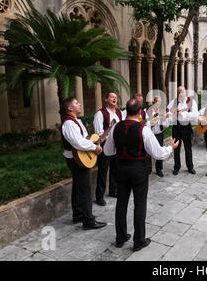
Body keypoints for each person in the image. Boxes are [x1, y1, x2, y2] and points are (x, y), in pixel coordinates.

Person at [103, 98, 180, 251]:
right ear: (140, 112)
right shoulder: (143, 129)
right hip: (138, 169)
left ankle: (121, 236)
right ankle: (138, 240)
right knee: (140, 204)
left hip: (121, 169)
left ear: (126, 110)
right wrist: (170, 148)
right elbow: (158, 153)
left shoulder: (116, 128)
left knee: (121, 203)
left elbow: (107, 151)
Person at [60, 97, 106, 230]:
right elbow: (78, 143)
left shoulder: (75, 121)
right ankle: (88, 220)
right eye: (76, 103)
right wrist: (94, 147)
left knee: (78, 187)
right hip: (76, 160)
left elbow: (82, 138)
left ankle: (78, 214)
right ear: (70, 108)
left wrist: (97, 140)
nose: (79, 104)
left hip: (77, 158)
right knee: (85, 189)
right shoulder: (69, 123)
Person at [93, 92, 123, 206]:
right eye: (111, 97)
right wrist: (107, 136)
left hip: (116, 147)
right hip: (105, 147)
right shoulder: (100, 114)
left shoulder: (119, 113)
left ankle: (113, 191)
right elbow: (98, 133)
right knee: (103, 172)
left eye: (116, 97)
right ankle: (99, 196)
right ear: (106, 99)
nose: (114, 98)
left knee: (115, 169)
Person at [167, 86, 198, 175]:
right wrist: (172, 114)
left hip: (186, 126)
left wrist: (183, 115)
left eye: (182, 91)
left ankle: (190, 167)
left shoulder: (191, 102)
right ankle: (177, 167)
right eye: (179, 92)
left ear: (185, 92)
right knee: (176, 148)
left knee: (188, 147)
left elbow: (195, 115)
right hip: (176, 127)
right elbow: (168, 111)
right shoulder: (174, 102)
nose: (181, 93)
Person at [146, 96, 169, 177]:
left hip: (159, 134)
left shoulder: (162, 112)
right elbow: (145, 123)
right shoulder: (148, 111)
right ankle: (148, 169)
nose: (158, 103)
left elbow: (166, 125)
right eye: (156, 101)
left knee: (159, 150)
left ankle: (159, 169)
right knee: (148, 151)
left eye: (159, 102)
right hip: (150, 134)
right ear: (153, 103)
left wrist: (164, 119)